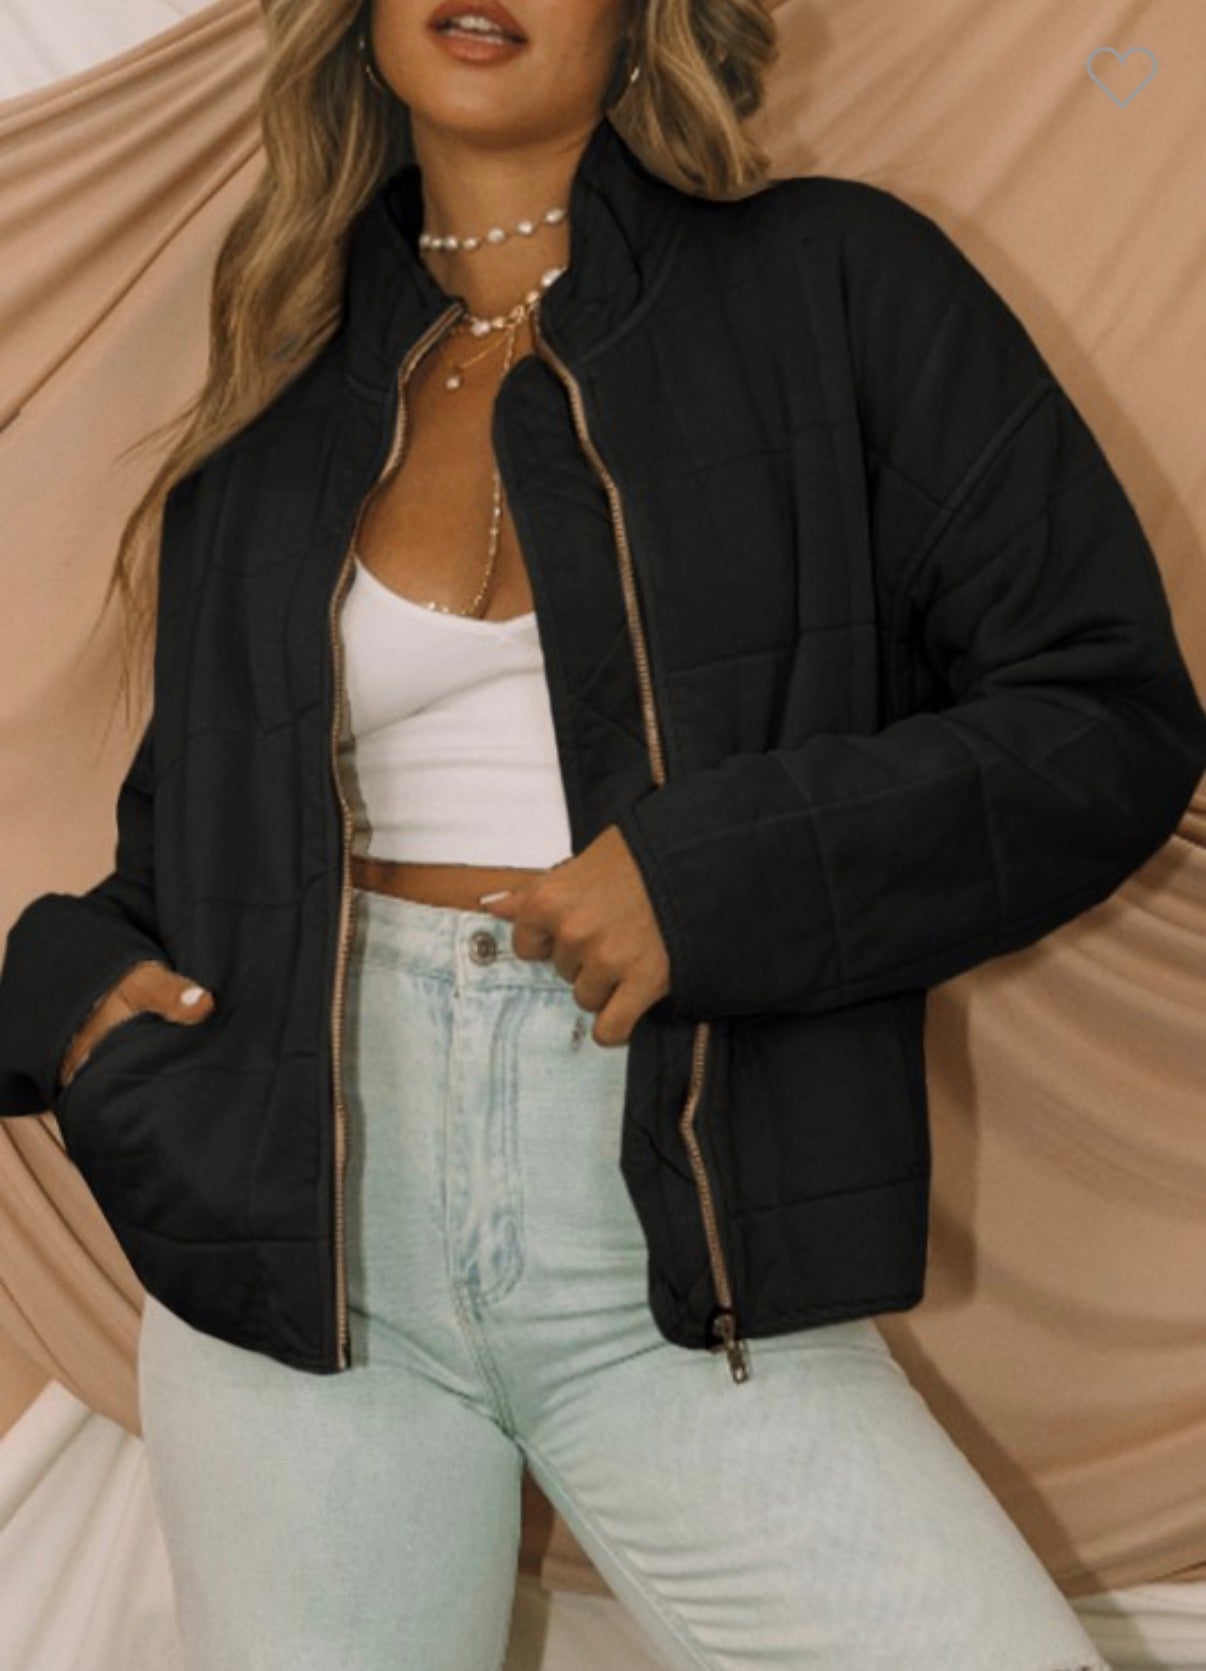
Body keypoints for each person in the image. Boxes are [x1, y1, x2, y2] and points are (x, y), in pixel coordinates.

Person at [3, 0, 1204, 1665]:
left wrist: (711, 881)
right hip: (291, 1263)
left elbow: (1103, 715)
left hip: (670, 1217)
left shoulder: (831, 281)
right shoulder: (289, 362)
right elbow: (192, 841)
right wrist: (76, 1005)